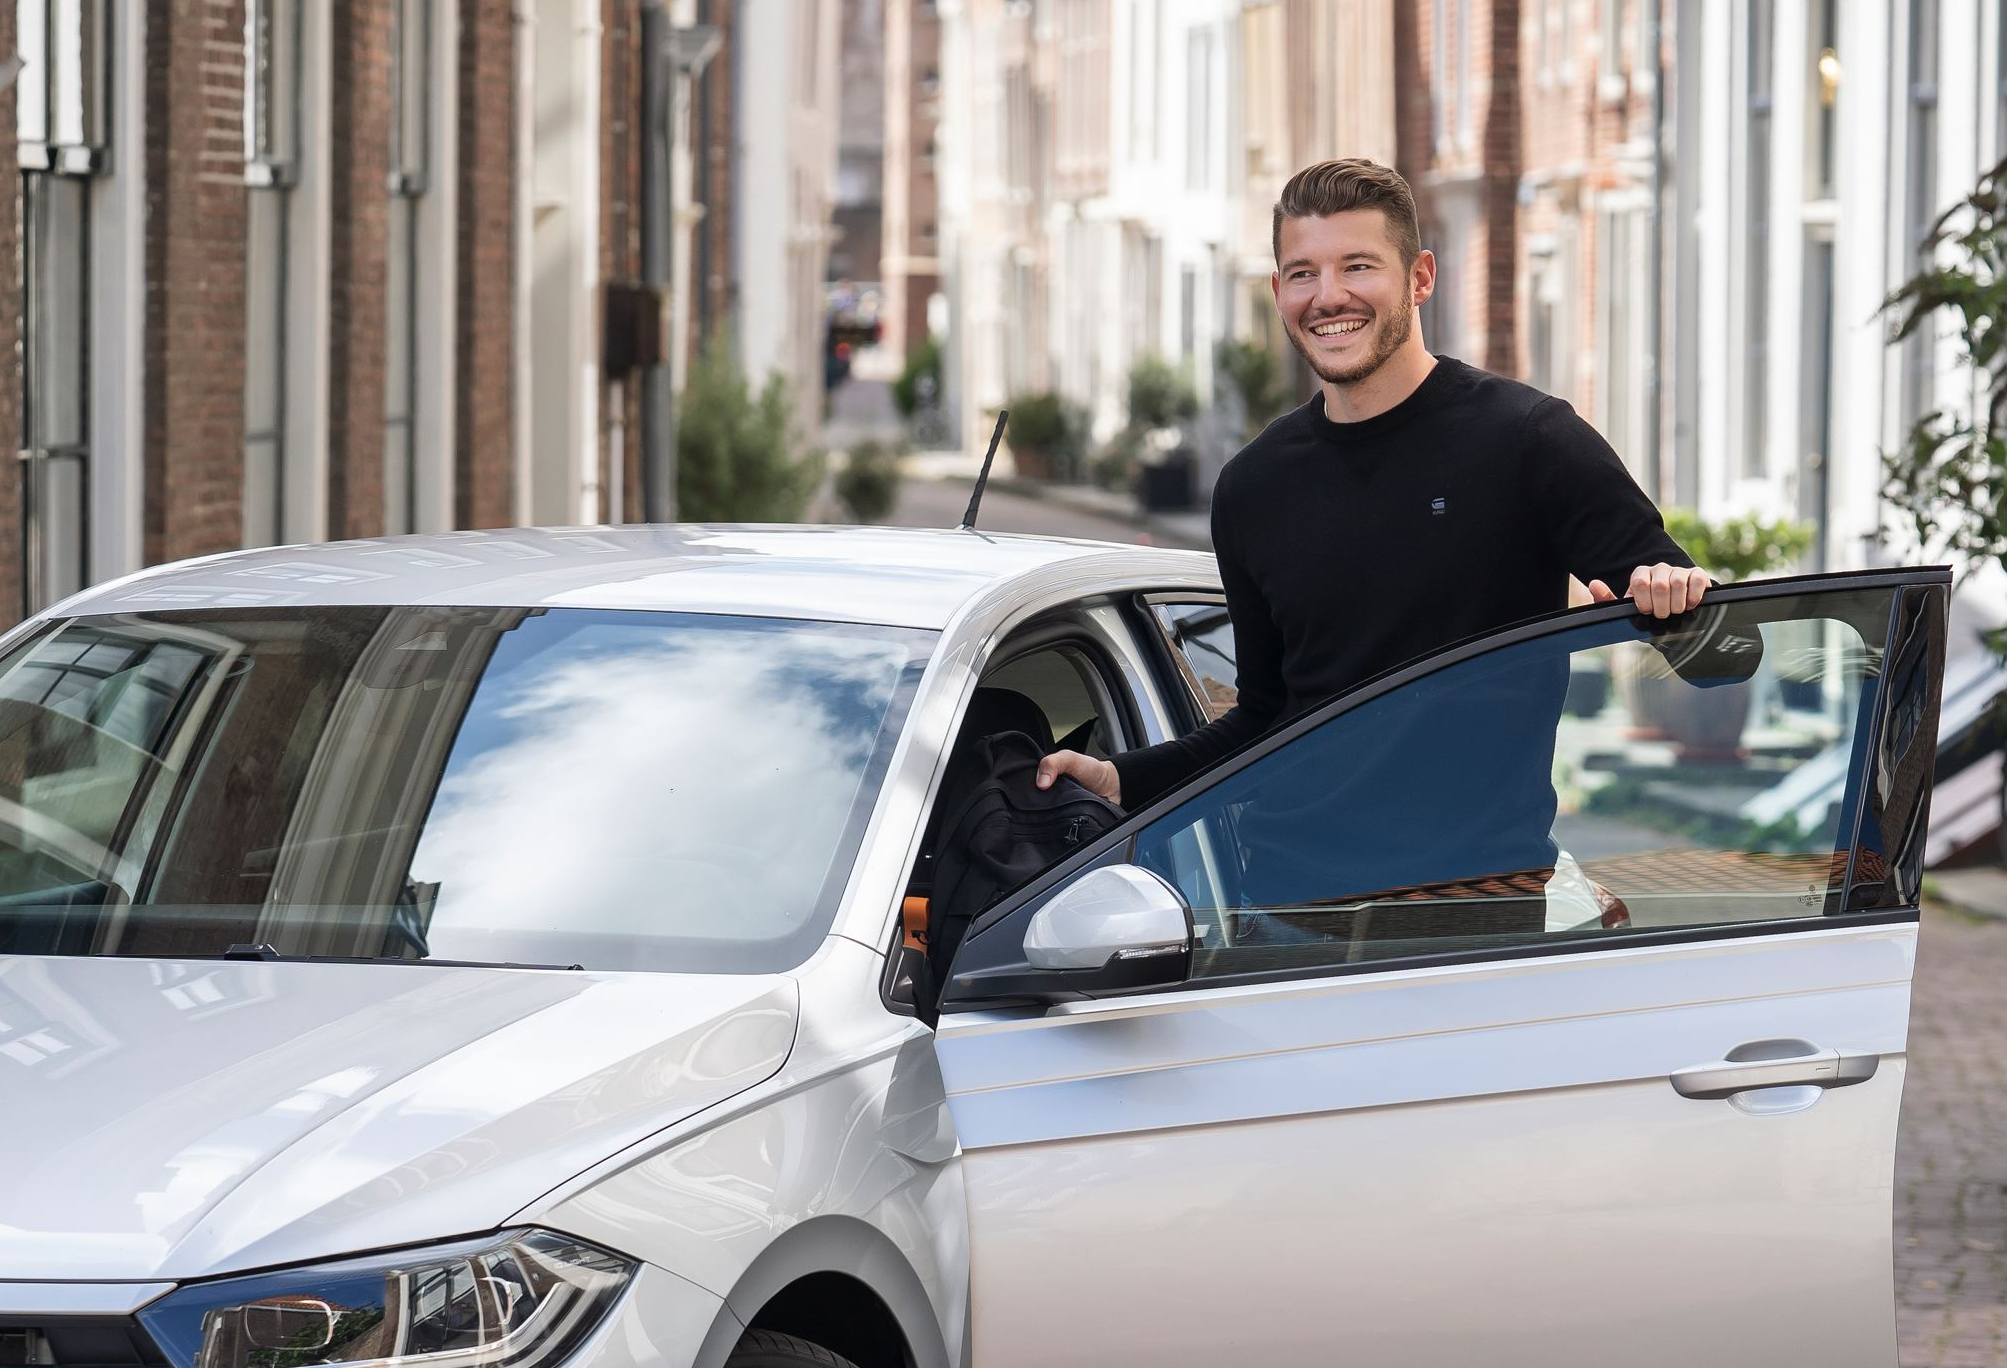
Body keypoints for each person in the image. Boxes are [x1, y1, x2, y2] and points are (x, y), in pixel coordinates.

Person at [1034, 158, 1711, 912]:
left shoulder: (1528, 440)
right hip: (1284, 917)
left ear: (1419, 277)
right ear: (1278, 292)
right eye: (1302, 273)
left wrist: (1673, 603)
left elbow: (1726, 659)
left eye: (1358, 266)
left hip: (1474, 915)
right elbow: (1264, 719)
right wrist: (1120, 778)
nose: (1329, 298)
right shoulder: (1253, 486)